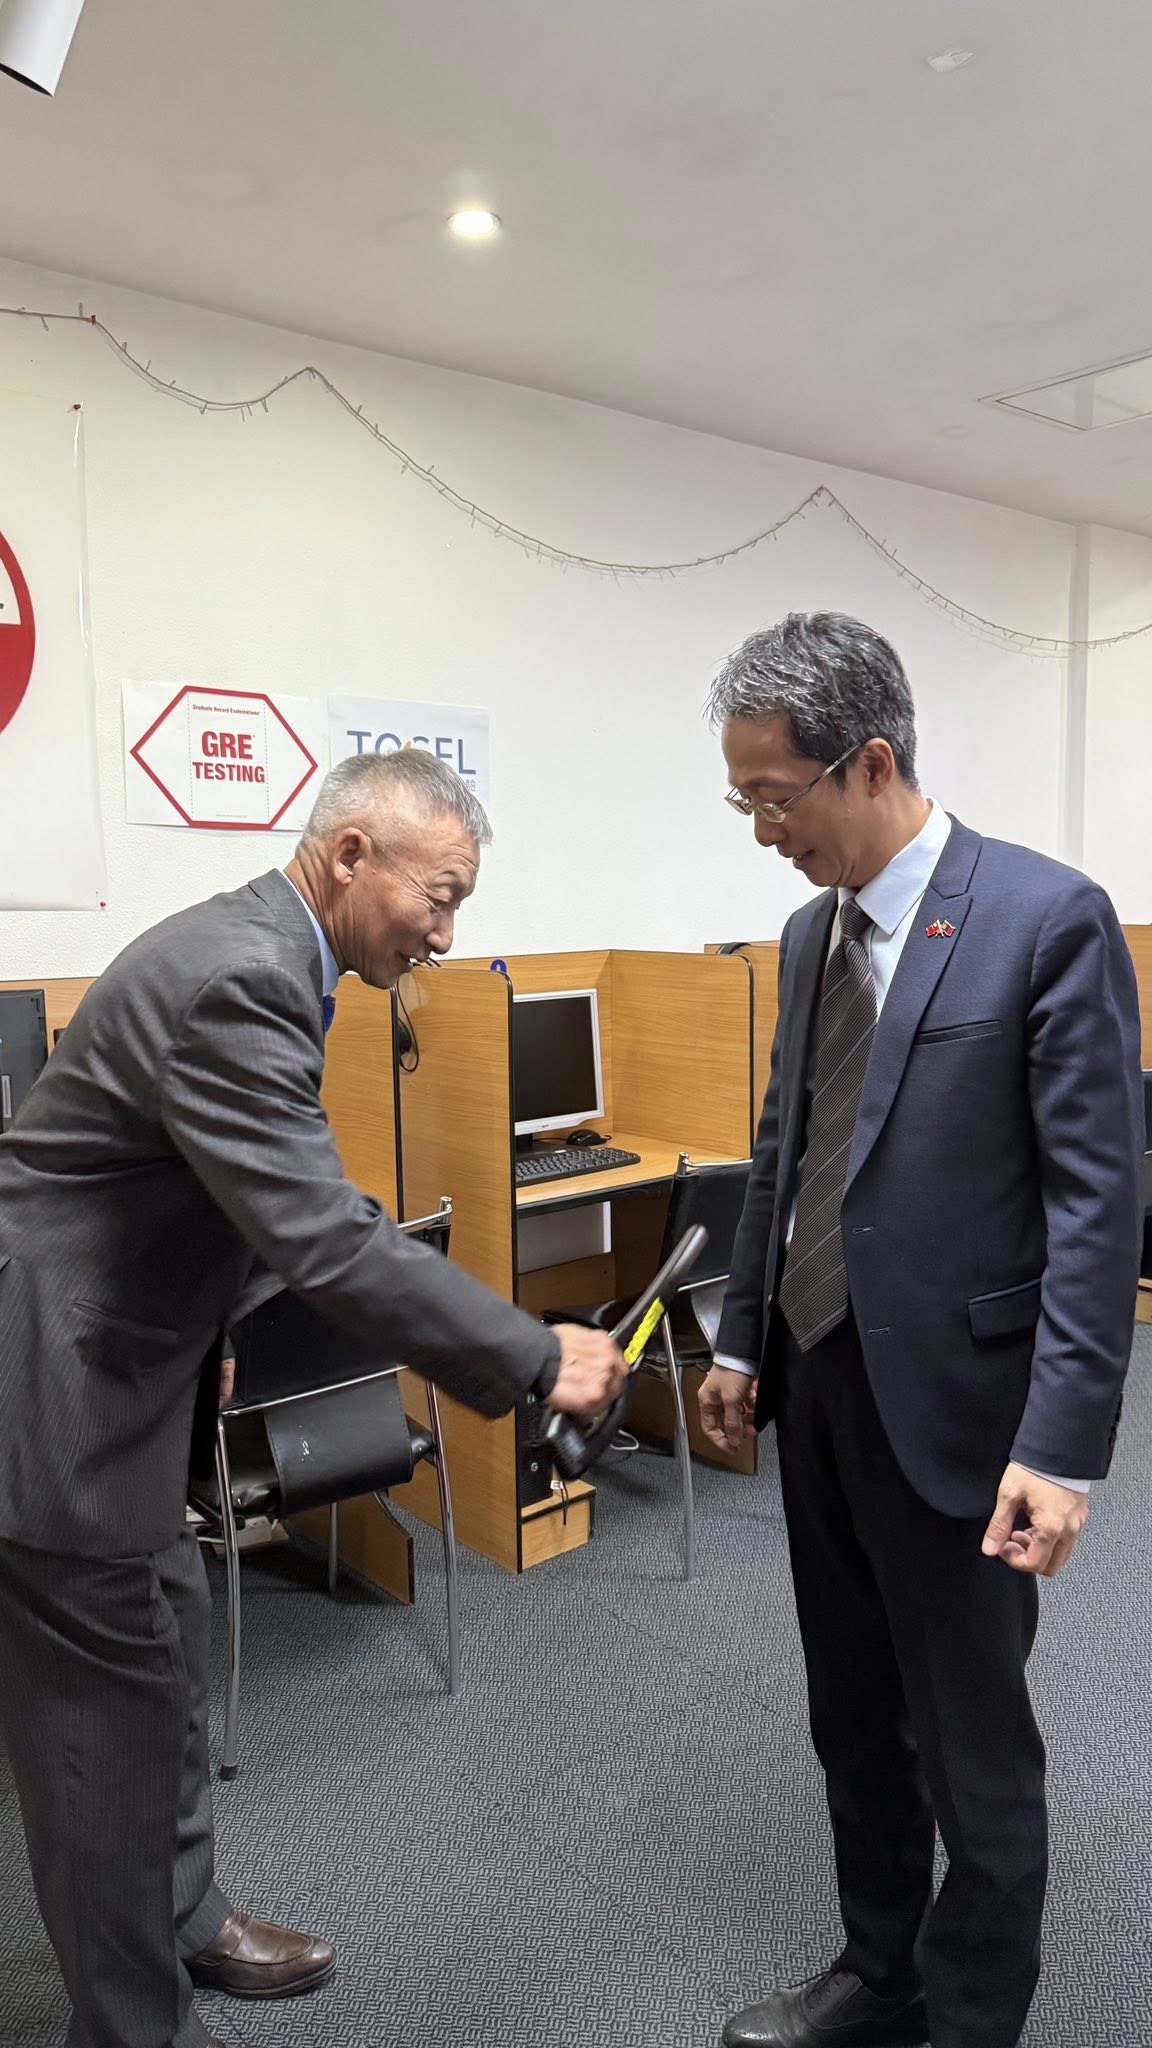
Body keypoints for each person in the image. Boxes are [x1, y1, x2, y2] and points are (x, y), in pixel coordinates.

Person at [0, 747, 625, 2048]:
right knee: (101, 1738)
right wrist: (533, 1357)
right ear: (351, 855)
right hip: (58, 1393)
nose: (446, 936)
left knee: (165, 1658)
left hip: (127, 1358)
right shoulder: (241, 975)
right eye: (439, 898)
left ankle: (184, 1917)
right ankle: (131, 2026)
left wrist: (218, 1323)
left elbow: (202, 1179)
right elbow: (327, 1236)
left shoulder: (274, 954)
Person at [696, 613, 1143, 2048]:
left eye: (777, 797)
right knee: (852, 1713)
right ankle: (880, 1973)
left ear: (872, 763)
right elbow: (785, 1148)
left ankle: (972, 2020)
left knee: (972, 1746)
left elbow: (1098, 1207)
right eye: (744, 801)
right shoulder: (808, 934)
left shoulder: (1046, 918)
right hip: (824, 1385)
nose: (764, 832)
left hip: (965, 1410)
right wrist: (740, 1341)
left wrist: (1063, 1447)